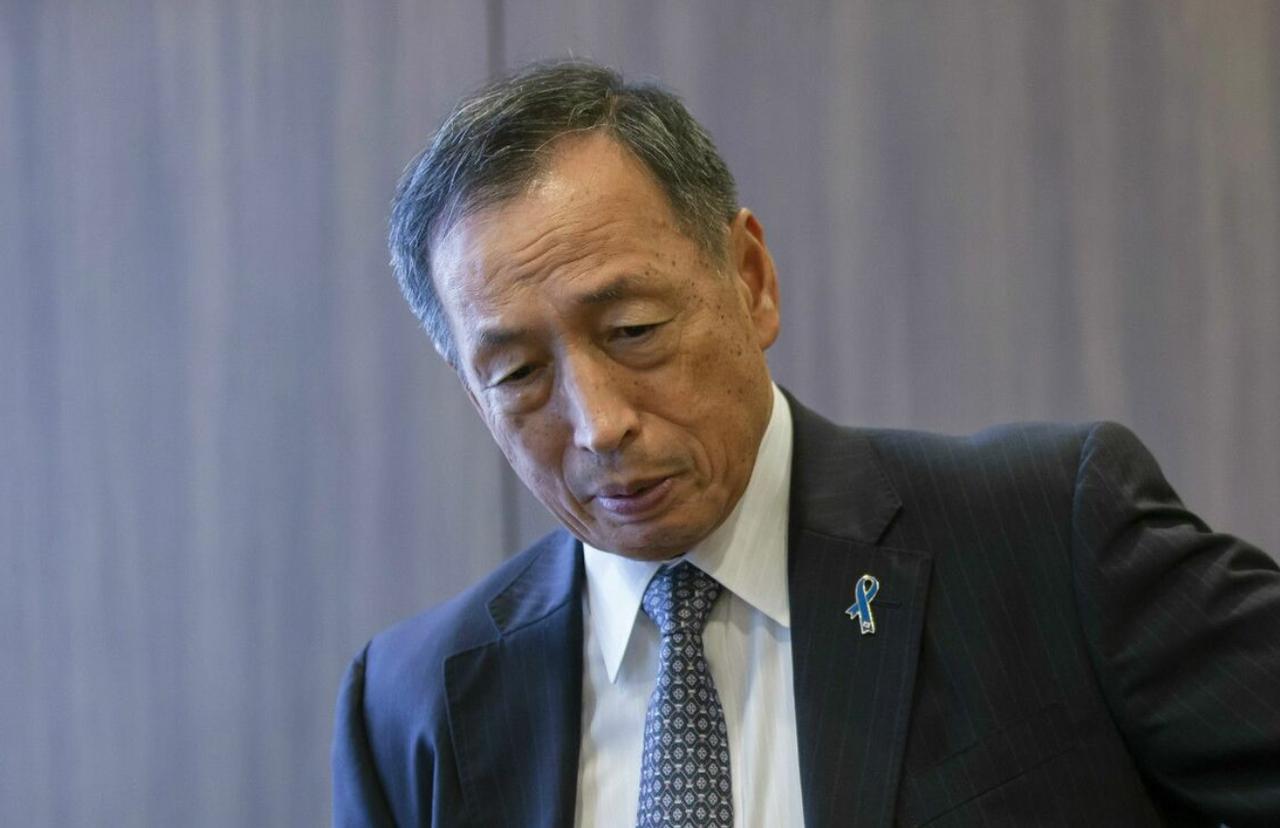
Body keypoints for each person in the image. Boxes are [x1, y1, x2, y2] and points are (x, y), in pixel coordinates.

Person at [332, 60, 1280, 827]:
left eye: (633, 331)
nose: (599, 424)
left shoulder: (1045, 541)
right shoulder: (412, 708)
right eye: (516, 375)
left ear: (750, 280)